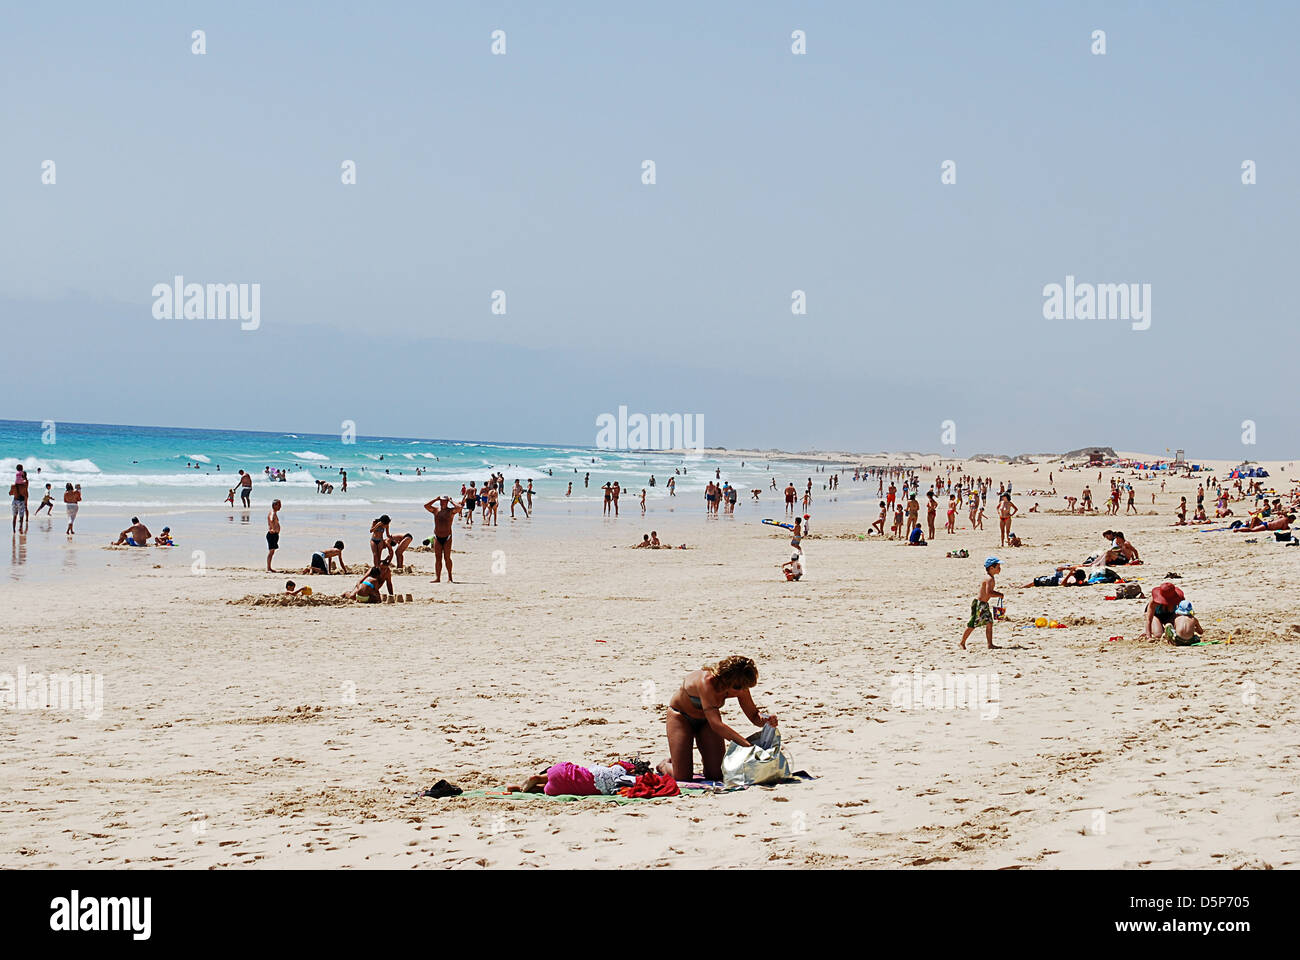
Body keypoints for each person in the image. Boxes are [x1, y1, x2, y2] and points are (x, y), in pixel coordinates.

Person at [660, 656, 777, 783]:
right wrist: (747, 746)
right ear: (725, 681)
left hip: (706, 721)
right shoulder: (706, 682)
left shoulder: (739, 685)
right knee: (683, 777)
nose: (741, 692)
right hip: (681, 717)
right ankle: (664, 765)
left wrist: (766, 721)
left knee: (716, 774)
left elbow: (754, 716)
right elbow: (716, 725)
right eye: (738, 688)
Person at [960, 558, 1004, 650]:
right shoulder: (989, 579)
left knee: (989, 623)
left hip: (984, 604)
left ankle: (990, 644)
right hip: (979, 604)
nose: (1000, 569)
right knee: (972, 624)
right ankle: (962, 642)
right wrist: (999, 595)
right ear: (992, 568)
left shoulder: (990, 578)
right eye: (998, 567)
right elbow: (989, 593)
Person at [423, 496, 462, 582]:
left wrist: (451, 501)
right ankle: (438, 578)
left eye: (444, 501)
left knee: (447, 558)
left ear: (447, 502)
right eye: (440, 501)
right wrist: (435, 499)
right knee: (438, 557)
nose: (442, 502)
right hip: (437, 537)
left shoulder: (450, 511)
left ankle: (450, 577)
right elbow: (426, 506)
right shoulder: (435, 510)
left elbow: (459, 508)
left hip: (447, 537)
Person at [266, 500, 282, 572]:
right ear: (275, 505)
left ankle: (269, 567)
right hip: (272, 534)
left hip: (274, 535)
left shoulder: (274, 512)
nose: (280, 507)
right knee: (271, 552)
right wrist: (272, 528)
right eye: (279, 505)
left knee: (272, 552)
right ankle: (268, 568)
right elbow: (271, 519)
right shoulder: (272, 513)